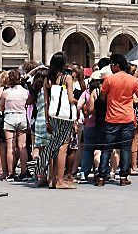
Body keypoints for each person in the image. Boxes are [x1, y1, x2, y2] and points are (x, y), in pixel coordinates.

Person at [95, 54, 138, 187]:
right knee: (125, 148)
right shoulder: (133, 80)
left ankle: (101, 178)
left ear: (117, 65)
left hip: (112, 117)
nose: (111, 67)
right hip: (127, 118)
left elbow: (102, 97)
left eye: (112, 64)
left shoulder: (109, 80)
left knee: (107, 149)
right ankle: (123, 177)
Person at [41, 52, 77, 189]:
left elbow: (46, 102)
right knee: (63, 147)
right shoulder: (66, 78)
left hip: (52, 115)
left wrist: (47, 121)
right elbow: (70, 98)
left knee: (54, 147)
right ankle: (60, 180)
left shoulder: (47, 80)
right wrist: (77, 101)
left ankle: (52, 179)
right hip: (64, 116)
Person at [0, 69, 30, 180]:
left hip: (9, 117)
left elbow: (1, 106)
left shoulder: (6, 92)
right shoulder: (25, 92)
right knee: (22, 146)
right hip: (22, 116)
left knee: (10, 147)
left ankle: (11, 172)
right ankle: (23, 171)